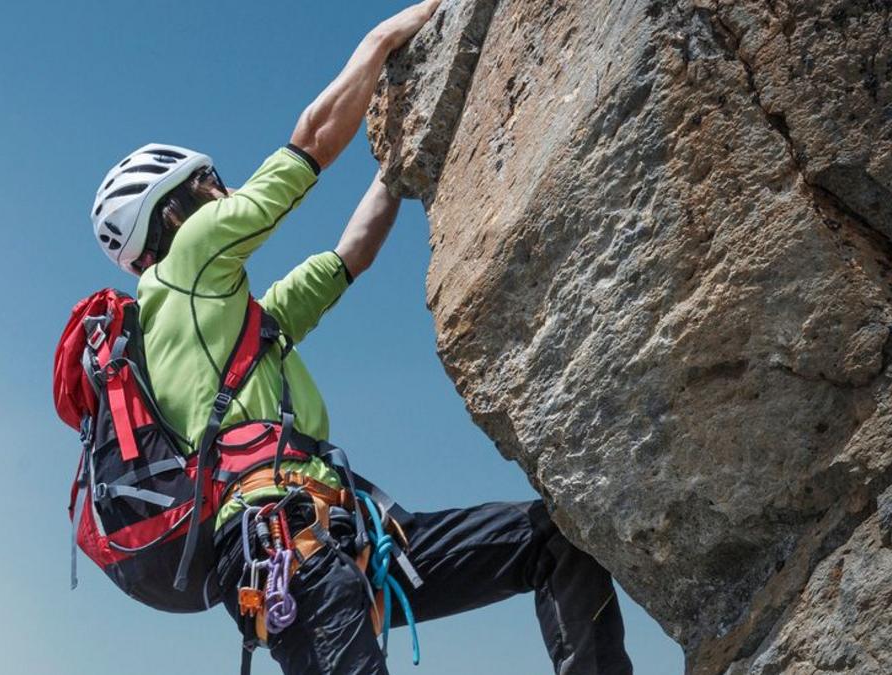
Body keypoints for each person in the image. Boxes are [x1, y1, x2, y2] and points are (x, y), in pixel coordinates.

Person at [89, 2, 633, 672]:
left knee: (552, 541)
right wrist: (379, 41)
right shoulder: (186, 265)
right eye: (208, 185)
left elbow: (351, 255)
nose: (223, 193)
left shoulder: (231, 323)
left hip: (343, 538)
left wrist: (401, 163)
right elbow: (310, 142)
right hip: (290, 545)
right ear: (171, 212)